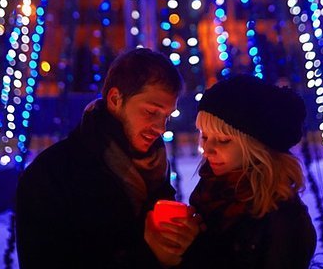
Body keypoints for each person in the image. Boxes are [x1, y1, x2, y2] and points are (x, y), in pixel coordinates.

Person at [16, 48, 200, 268]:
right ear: (115, 99)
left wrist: (186, 244)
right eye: (151, 112)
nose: (161, 128)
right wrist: (149, 256)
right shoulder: (51, 173)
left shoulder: (155, 167)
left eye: (167, 117)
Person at [182, 74, 317, 269]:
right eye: (205, 136)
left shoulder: (285, 221)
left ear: (256, 147)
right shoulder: (212, 190)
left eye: (223, 140)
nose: (207, 149)